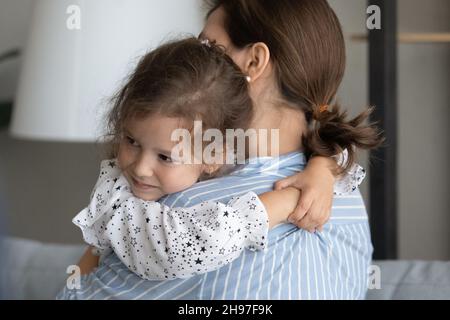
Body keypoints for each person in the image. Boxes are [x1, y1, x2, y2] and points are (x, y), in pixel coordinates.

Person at [58, 0, 383, 299]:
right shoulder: (344, 196)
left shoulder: (184, 210)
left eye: (210, 48)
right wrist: (322, 167)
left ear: (254, 61)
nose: (195, 59)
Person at [72, 38, 307, 280]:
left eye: (164, 157)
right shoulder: (118, 198)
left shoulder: (240, 163)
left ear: (214, 156)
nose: (140, 168)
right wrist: (283, 203)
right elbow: (182, 248)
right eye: (131, 141)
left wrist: (322, 169)